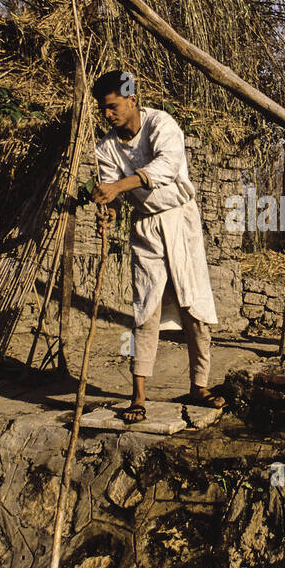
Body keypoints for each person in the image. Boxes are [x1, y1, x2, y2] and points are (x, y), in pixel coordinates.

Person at [89, 70, 224, 424]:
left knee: (192, 304)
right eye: (103, 109)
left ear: (132, 99)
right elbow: (110, 191)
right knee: (144, 310)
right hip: (145, 227)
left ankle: (199, 385)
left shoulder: (161, 124)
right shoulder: (106, 147)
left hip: (181, 220)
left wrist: (119, 187)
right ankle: (138, 396)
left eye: (113, 106)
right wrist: (108, 209)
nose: (108, 115)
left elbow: (167, 166)